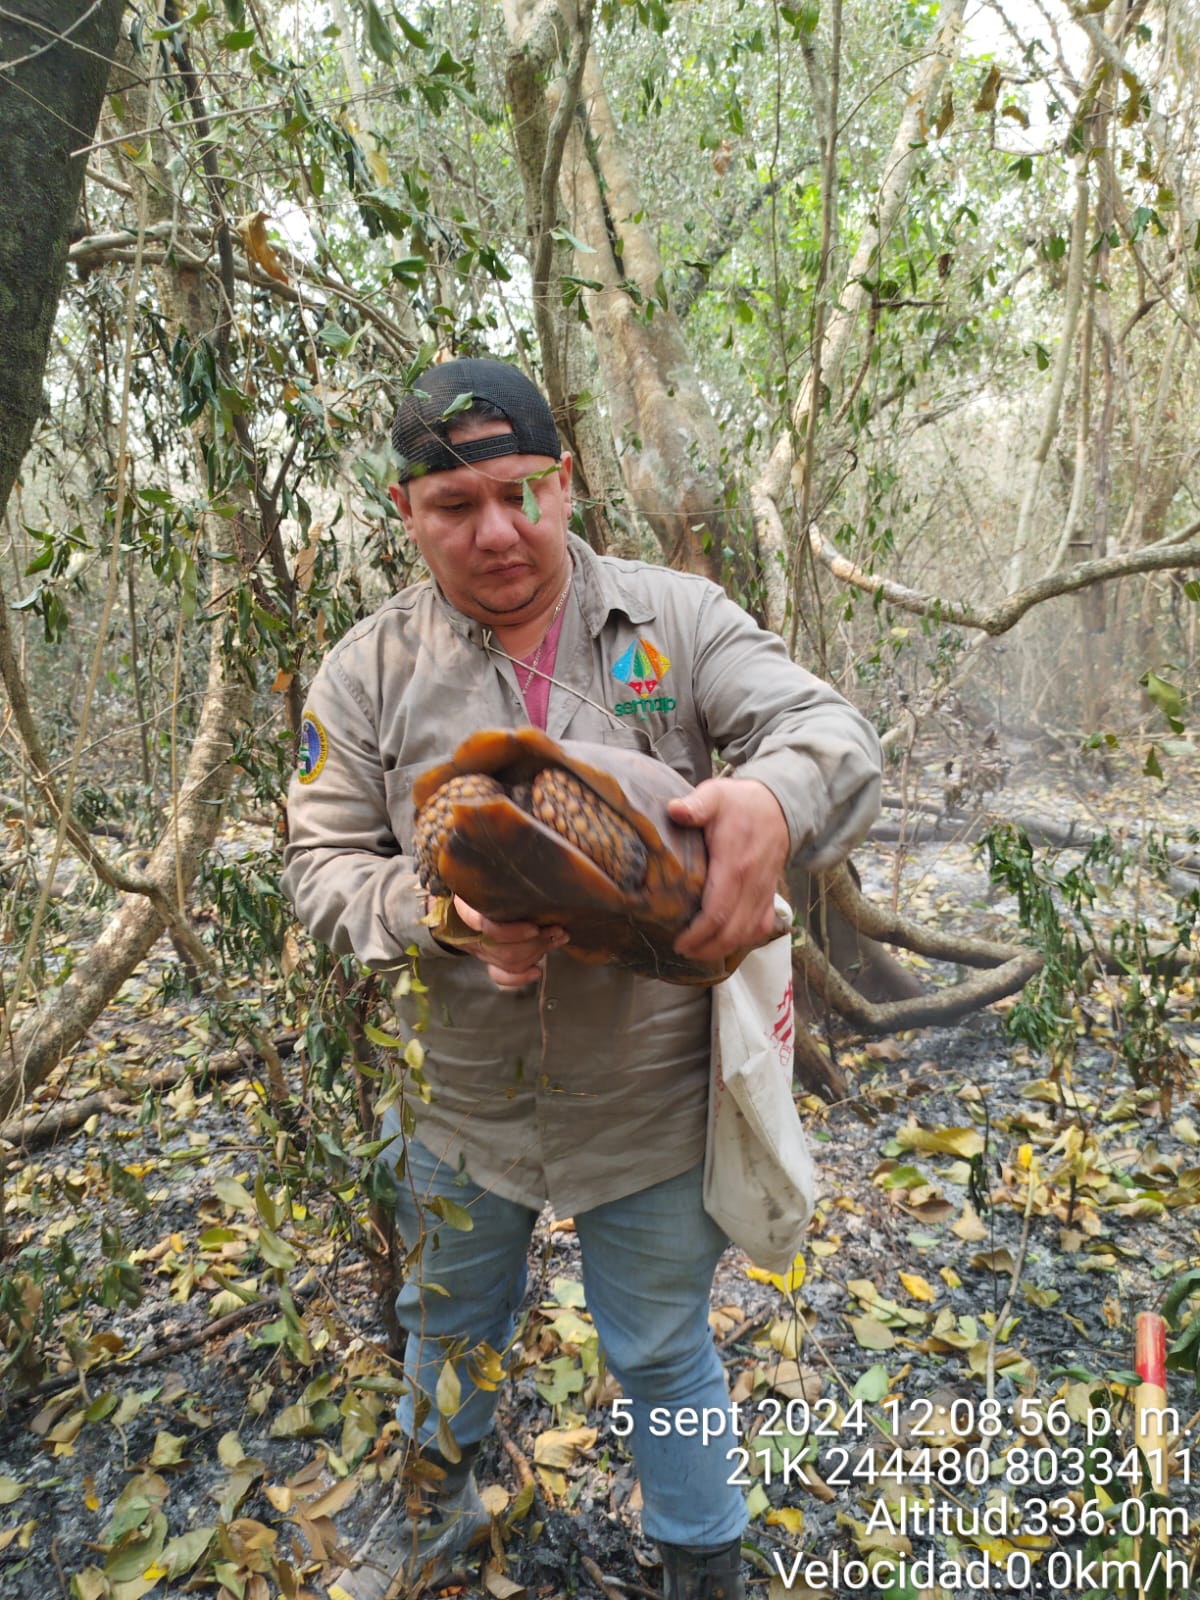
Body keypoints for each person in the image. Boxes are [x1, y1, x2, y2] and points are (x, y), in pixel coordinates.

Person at [282, 358, 882, 1599]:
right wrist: (437, 913)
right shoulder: (364, 674)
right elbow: (318, 862)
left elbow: (832, 732)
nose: (497, 530)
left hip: (650, 1100)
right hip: (461, 1107)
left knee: (664, 1353)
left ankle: (703, 1572)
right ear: (406, 513)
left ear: (567, 481)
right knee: (446, 1337)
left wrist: (773, 797)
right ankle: (438, 1547)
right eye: (455, 507)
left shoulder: (678, 618)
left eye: (521, 491)